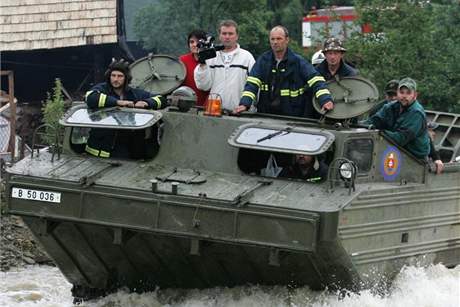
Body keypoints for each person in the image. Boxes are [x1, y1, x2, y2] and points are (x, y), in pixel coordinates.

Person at [235, 25, 333, 118]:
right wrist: (245, 104)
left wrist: (325, 99)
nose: (275, 42)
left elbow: (316, 80)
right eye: (272, 39)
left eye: (279, 39)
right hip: (266, 116)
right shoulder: (263, 61)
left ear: (287, 40)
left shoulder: (298, 62)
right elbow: (252, 84)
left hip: (292, 118)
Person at [85, 59, 167, 158]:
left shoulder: (134, 93)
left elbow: (162, 99)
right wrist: (118, 102)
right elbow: (90, 97)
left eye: (120, 76)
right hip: (99, 150)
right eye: (113, 75)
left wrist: (146, 103)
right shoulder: (102, 89)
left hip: (123, 148)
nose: (115, 79)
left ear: (126, 78)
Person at [194, 20, 255, 111]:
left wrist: (248, 105)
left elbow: (254, 85)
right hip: (214, 111)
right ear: (219, 35)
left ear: (237, 36)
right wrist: (202, 64)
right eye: (224, 33)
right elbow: (204, 86)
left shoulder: (246, 57)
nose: (227, 37)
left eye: (230, 34)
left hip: (240, 111)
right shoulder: (211, 57)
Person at [364, 77, 430, 159]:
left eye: (408, 93)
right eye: (401, 92)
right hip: (396, 149)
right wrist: (359, 126)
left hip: (414, 157)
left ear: (415, 95)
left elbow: (401, 138)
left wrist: (379, 132)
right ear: (398, 93)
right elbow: (374, 120)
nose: (404, 96)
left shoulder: (416, 113)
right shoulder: (390, 107)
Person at [179, 29, 209, 107]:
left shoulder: (213, 61)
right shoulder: (182, 60)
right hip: (185, 106)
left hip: (207, 107)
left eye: (199, 42)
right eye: (192, 42)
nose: (195, 44)